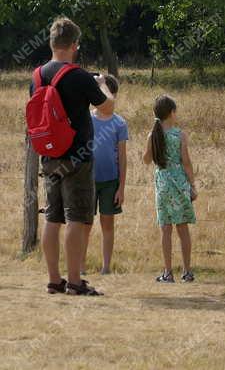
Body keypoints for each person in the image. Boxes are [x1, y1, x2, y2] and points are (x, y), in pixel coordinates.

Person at [35, 17, 113, 296]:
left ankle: (54, 280)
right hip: (77, 157)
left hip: (49, 156)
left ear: (52, 43)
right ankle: (75, 282)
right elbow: (107, 107)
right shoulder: (79, 76)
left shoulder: (38, 75)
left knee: (52, 218)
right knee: (76, 218)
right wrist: (102, 84)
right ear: (74, 45)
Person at [142, 95, 198, 283]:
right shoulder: (179, 135)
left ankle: (167, 272)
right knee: (182, 228)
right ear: (171, 113)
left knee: (165, 228)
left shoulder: (153, 134)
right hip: (179, 182)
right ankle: (187, 271)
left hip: (162, 182)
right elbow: (187, 162)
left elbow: (147, 160)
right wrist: (192, 184)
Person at [82, 74, 128, 275]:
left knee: (107, 223)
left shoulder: (119, 123)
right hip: (87, 180)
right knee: (85, 225)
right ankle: (80, 267)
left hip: (111, 182)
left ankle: (106, 267)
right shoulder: (87, 118)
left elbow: (123, 158)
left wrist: (121, 188)